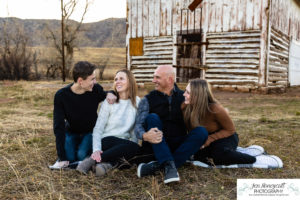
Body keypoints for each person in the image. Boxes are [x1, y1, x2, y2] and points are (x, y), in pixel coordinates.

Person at [135, 65, 208, 184]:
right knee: (152, 117)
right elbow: (138, 125)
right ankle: (169, 164)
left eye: (157, 77)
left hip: (178, 144)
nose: (153, 80)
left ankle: (161, 166)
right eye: (154, 77)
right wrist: (144, 136)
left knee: (202, 132)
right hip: (155, 145)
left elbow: (198, 118)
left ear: (170, 79)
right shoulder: (148, 99)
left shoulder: (185, 97)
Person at [76, 69, 140, 176]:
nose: (117, 81)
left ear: (130, 81)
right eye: (116, 79)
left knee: (133, 154)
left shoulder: (138, 102)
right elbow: (98, 129)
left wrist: (132, 149)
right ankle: (94, 159)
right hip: (106, 141)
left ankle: (104, 165)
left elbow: (134, 131)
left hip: (123, 145)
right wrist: (96, 150)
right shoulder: (110, 101)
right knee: (133, 149)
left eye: (121, 79)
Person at [53, 61, 116, 167]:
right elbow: (58, 127)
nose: (95, 82)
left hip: (89, 132)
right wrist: (62, 157)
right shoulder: (61, 96)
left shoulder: (95, 90)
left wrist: (111, 92)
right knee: (70, 158)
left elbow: (106, 94)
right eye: (92, 79)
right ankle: (74, 147)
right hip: (71, 131)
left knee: (81, 155)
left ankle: (82, 147)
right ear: (80, 81)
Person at [182, 79, 256, 166]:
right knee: (198, 156)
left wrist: (209, 139)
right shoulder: (185, 107)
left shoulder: (215, 109)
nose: (184, 94)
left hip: (224, 137)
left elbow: (230, 130)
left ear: (198, 95)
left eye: (188, 92)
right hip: (203, 138)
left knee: (220, 156)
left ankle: (253, 157)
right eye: (185, 91)